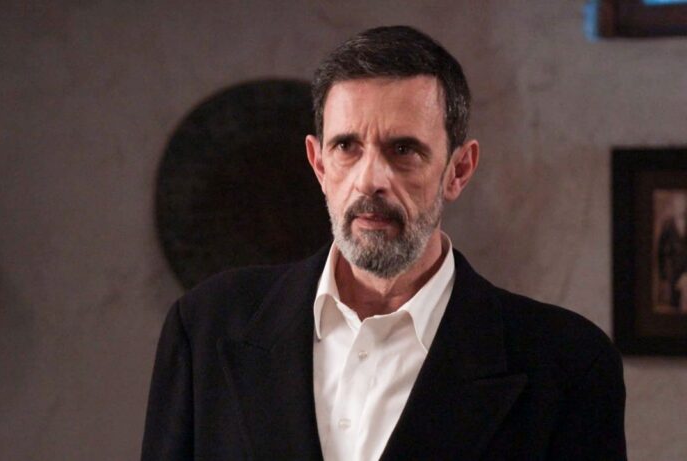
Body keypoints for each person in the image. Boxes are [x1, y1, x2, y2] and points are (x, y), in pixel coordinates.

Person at [141, 26, 626, 460]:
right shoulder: (204, 327)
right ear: (318, 164)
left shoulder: (567, 364)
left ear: (458, 170)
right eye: (346, 147)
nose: (370, 180)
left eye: (403, 149)